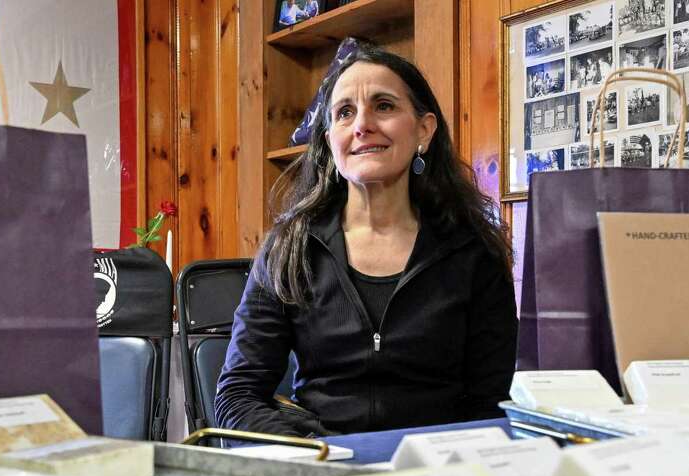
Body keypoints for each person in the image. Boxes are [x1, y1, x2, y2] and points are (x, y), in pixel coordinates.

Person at [214, 45, 517, 436]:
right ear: (330, 140)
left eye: (384, 106)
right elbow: (237, 396)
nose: (362, 125)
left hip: (436, 473)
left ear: (423, 130)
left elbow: (488, 405)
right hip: (322, 466)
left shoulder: (475, 251)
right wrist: (313, 454)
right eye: (345, 113)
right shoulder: (288, 247)